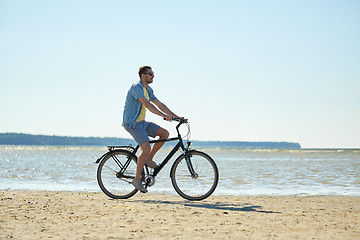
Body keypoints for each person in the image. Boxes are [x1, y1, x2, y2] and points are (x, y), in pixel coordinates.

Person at [122, 66, 181, 193]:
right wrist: (164, 116)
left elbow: (159, 104)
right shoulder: (136, 88)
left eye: (153, 74)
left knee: (164, 133)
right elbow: (148, 105)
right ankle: (137, 180)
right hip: (132, 124)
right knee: (146, 148)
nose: (153, 76)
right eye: (151, 74)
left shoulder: (148, 89)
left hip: (142, 123)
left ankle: (148, 159)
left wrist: (176, 116)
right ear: (143, 76)